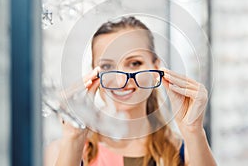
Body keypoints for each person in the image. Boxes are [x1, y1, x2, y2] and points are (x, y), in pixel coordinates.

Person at [44, 16, 217, 166]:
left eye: (134, 63)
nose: (121, 81)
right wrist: (73, 139)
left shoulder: (186, 152)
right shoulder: (61, 150)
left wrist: (193, 131)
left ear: (155, 67)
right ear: (94, 73)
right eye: (107, 66)